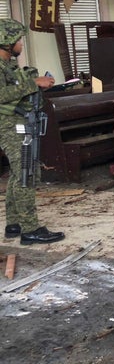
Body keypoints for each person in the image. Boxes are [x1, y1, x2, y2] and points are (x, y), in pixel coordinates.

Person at [0, 18, 64, 245]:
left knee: (19, 174)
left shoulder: (8, 65)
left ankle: (14, 224)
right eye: (18, 40)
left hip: (18, 121)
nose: (20, 44)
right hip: (8, 125)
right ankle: (30, 229)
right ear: (7, 41)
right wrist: (33, 83)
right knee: (25, 173)